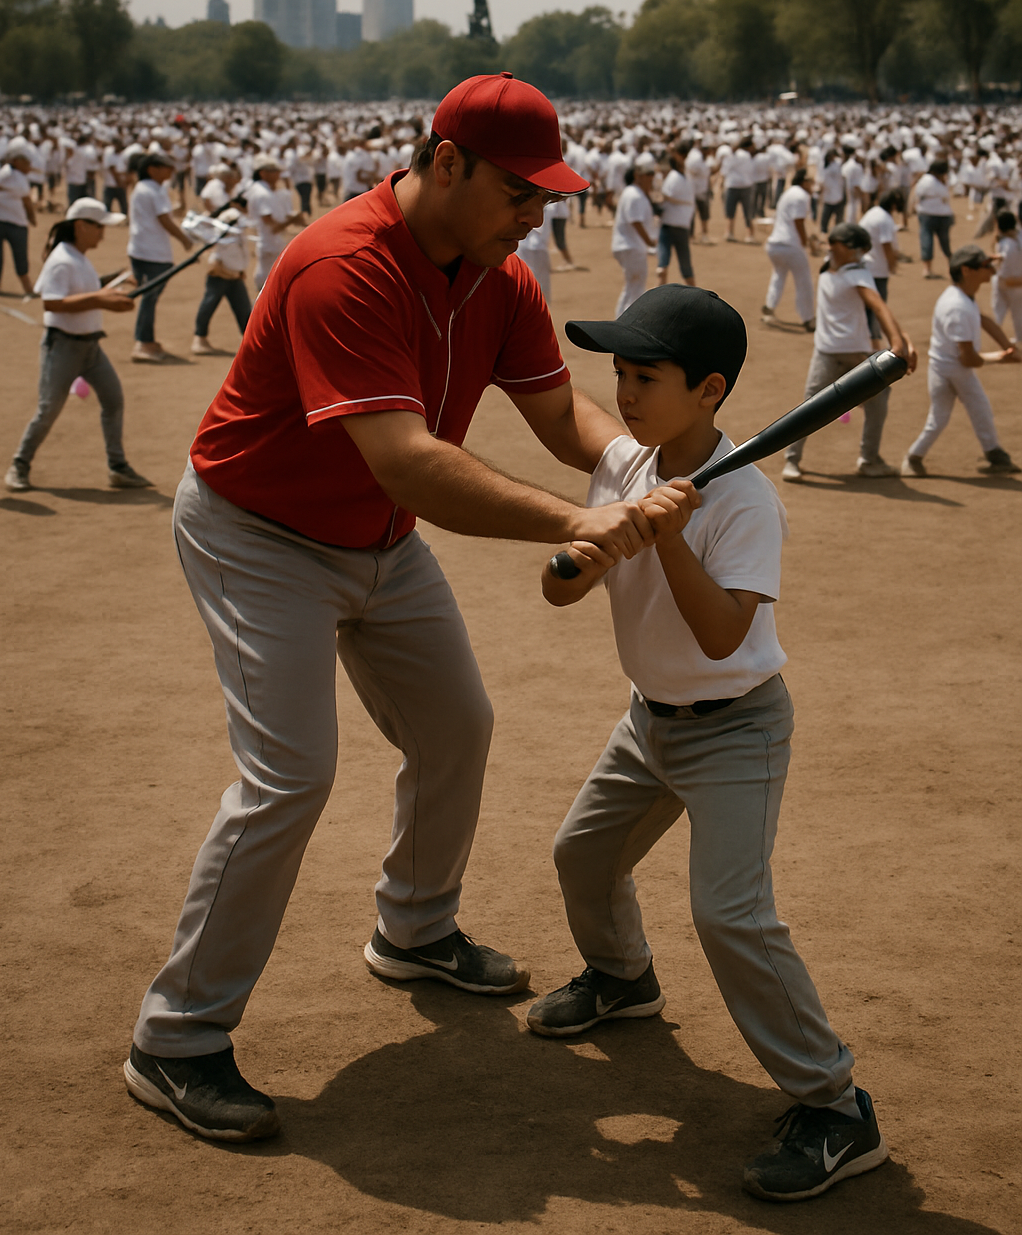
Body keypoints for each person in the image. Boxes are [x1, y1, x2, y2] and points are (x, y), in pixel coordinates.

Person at [124, 73, 657, 1144]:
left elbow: (559, 413)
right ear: (446, 163)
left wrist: (634, 470)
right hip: (257, 530)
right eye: (522, 192)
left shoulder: (499, 275)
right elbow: (412, 464)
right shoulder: (343, 262)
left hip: (377, 537)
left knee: (457, 725)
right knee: (291, 776)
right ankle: (174, 1039)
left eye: (546, 198)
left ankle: (414, 931)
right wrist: (574, 523)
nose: (535, 215)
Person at [527, 285, 889, 1203]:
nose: (627, 391)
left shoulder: (746, 502)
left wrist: (671, 541)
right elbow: (558, 590)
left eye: (646, 375)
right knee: (583, 854)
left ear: (711, 389)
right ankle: (622, 978)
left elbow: (725, 636)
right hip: (650, 721)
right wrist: (601, 536)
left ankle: (836, 1106)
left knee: (731, 914)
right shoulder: (623, 464)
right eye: (620, 373)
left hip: (736, 728)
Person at [4, 199, 151, 493]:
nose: (103, 234)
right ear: (81, 226)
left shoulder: (78, 256)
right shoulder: (62, 259)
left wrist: (111, 282)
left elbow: (85, 287)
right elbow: (51, 301)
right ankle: (19, 465)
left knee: (113, 400)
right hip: (63, 347)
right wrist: (101, 300)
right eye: (99, 227)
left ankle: (117, 467)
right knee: (48, 410)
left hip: (91, 348)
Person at [782, 223, 916, 482]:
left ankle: (869, 459)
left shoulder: (858, 274)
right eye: (858, 251)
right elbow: (821, 245)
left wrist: (900, 343)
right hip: (829, 351)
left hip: (858, 353)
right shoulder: (831, 260)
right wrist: (901, 343)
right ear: (845, 247)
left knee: (875, 404)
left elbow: (879, 307)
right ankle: (792, 460)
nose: (860, 257)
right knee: (809, 408)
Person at [902, 244, 1019, 478]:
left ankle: (915, 458)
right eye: (986, 266)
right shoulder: (958, 308)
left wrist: (1009, 346)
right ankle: (993, 454)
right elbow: (969, 359)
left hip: (946, 366)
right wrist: (1000, 358)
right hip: (953, 370)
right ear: (967, 271)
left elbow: (983, 319)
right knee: (967, 411)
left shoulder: (963, 297)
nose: (992, 271)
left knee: (947, 417)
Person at [127, 151, 193, 362]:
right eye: (165, 166)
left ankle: (146, 339)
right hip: (153, 251)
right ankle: (143, 342)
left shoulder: (143, 188)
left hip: (140, 248)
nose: (170, 170)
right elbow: (164, 219)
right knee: (150, 297)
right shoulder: (154, 190)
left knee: (149, 297)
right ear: (151, 169)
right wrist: (184, 239)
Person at [190, 168, 252, 354]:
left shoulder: (237, 217)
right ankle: (199, 339)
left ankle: (251, 342)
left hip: (234, 271)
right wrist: (224, 267)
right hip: (221, 269)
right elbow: (221, 244)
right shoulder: (231, 218)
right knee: (210, 303)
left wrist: (239, 269)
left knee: (243, 309)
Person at [762, 168, 817, 329]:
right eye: (811, 182)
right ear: (804, 182)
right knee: (804, 282)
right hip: (790, 244)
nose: (812, 185)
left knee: (778, 276)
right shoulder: (801, 195)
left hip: (775, 243)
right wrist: (806, 242)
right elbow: (798, 221)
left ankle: (769, 308)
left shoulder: (788, 192)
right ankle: (808, 318)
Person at [246, 154, 302, 289]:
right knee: (269, 285)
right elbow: (272, 226)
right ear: (263, 173)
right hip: (270, 244)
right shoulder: (263, 194)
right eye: (273, 171)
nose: (278, 174)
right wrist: (293, 220)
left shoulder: (260, 190)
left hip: (269, 243)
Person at [611, 155, 658, 316]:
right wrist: (650, 242)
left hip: (630, 245)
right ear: (638, 176)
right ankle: (626, 321)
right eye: (648, 174)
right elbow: (636, 222)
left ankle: (622, 320)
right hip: (631, 246)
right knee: (635, 287)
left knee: (633, 286)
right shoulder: (635, 195)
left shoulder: (634, 193)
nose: (652, 178)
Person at [859, 191, 902, 341]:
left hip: (865, 266)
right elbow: (887, 245)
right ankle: (873, 341)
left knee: (866, 309)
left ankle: (867, 338)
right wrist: (892, 265)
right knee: (878, 309)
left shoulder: (873, 212)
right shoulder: (884, 219)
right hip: (877, 269)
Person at [0, 137, 39, 296]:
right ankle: (28, 288)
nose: (29, 166)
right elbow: (27, 201)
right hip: (16, 223)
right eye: (26, 162)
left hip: (3, 221)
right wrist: (32, 217)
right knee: (20, 255)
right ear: (16, 161)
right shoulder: (18, 178)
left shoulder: (4, 173)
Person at [655, 151, 696, 288]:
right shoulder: (687, 177)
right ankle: (695, 293)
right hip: (683, 224)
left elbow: (665, 196)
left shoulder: (673, 177)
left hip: (669, 222)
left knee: (663, 261)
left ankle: (659, 292)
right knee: (685, 262)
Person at [913, 160, 954, 279]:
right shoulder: (927, 180)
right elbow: (918, 195)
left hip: (939, 214)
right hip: (929, 214)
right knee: (929, 240)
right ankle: (927, 268)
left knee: (943, 241)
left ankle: (950, 266)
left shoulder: (939, 181)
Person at [991, 209, 1022, 342]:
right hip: (1019, 282)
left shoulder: (1004, 244)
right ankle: (1020, 338)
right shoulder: (1019, 236)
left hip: (1006, 281)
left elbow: (1002, 266)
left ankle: (995, 336)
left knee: (998, 310)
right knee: (1018, 313)